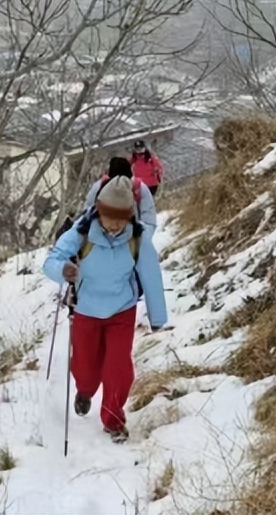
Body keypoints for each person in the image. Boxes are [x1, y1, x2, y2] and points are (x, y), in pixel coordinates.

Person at [43, 176, 167, 443]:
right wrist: (63, 270)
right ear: (99, 210)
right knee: (86, 369)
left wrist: (157, 316)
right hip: (86, 309)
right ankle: (85, 391)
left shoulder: (138, 237)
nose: (114, 225)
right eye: (109, 217)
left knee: (118, 369)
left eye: (120, 219)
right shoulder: (81, 231)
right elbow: (52, 260)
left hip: (121, 310)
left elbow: (151, 275)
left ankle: (113, 420)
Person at [82, 156, 158, 235]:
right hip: (101, 236)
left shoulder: (139, 188)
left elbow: (149, 220)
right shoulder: (99, 187)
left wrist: (140, 237)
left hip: (131, 236)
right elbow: (87, 214)